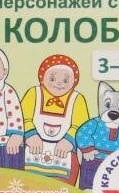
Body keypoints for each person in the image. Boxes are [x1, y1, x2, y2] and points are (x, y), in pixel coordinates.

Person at [21, 54, 88, 183]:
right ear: (42, 78)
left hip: (64, 157)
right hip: (31, 152)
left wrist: (69, 140)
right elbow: (23, 118)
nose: (59, 83)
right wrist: (30, 135)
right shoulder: (33, 93)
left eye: (65, 80)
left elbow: (81, 126)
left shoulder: (77, 99)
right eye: (52, 78)